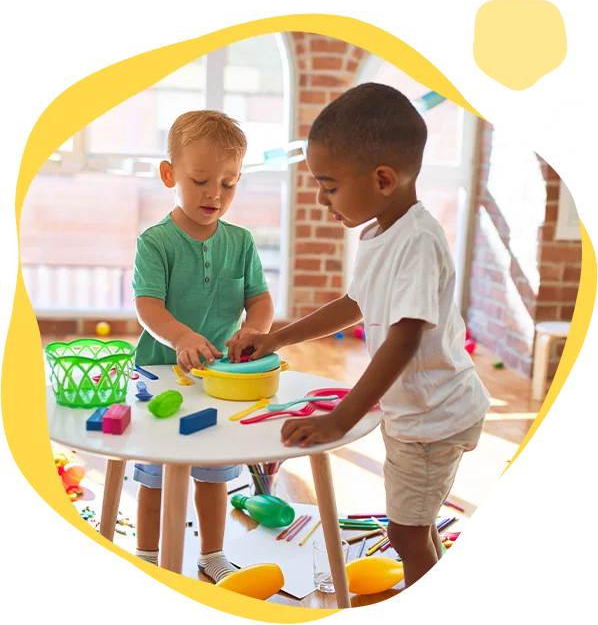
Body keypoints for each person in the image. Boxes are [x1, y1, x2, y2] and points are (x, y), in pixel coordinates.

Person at [230, 83, 490, 594]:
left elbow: (405, 336)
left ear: (383, 179)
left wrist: (342, 416)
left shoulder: (416, 240)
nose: (322, 200)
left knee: (406, 531)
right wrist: (278, 338)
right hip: (416, 410)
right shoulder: (383, 232)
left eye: (329, 186)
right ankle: (433, 588)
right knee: (416, 526)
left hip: (432, 418)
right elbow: (354, 305)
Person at [131, 110, 274, 582]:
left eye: (229, 184)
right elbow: (148, 306)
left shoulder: (241, 242)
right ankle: (149, 557)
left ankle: (212, 557)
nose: (215, 193)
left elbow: (260, 300)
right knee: (155, 477)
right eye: (200, 180)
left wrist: (254, 329)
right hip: (160, 376)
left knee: (213, 475)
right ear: (170, 174)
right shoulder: (156, 242)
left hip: (218, 383)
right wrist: (182, 337)